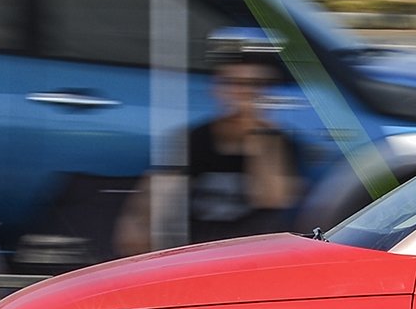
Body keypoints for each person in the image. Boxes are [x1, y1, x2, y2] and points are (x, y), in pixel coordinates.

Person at [115, 35, 306, 257]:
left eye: (256, 85)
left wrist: (256, 129)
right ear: (219, 88)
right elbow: (153, 198)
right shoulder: (194, 139)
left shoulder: (280, 143)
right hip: (196, 252)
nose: (245, 92)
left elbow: (273, 197)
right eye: (236, 84)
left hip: (252, 254)